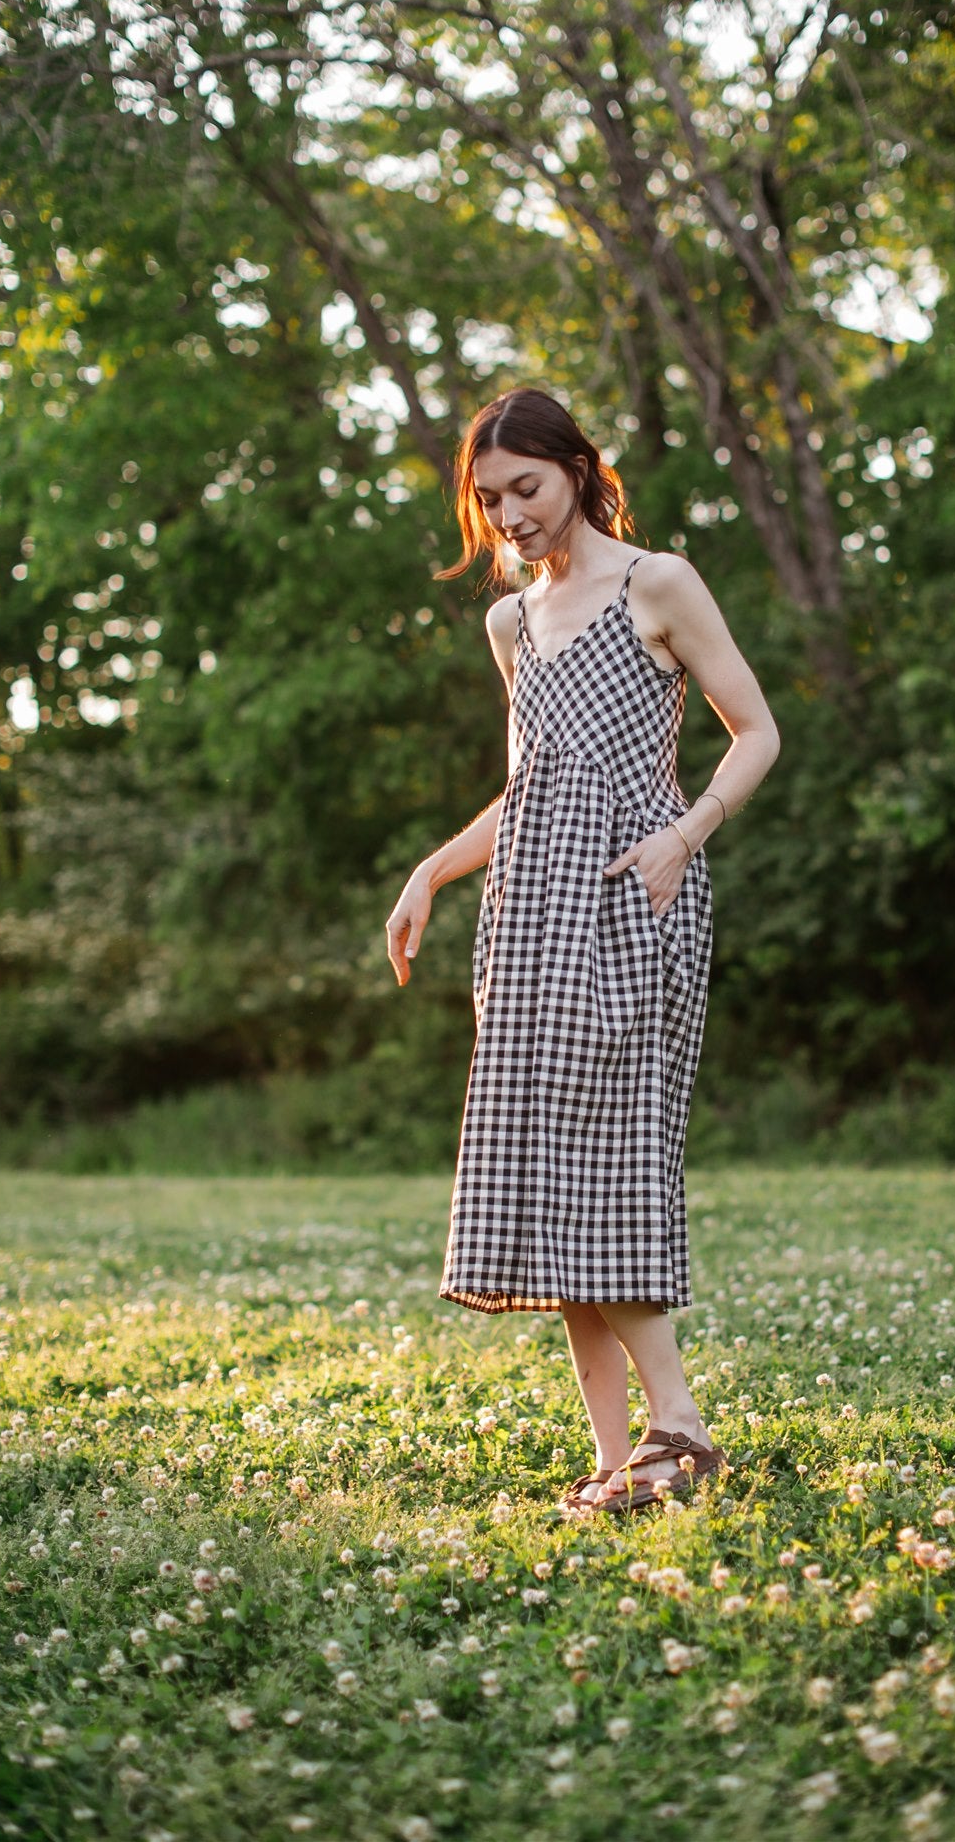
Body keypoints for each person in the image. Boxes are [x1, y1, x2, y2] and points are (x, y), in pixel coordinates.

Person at [385, 387, 780, 1513]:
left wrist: (686, 831)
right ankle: (622, 1460)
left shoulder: (656, 583)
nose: (509, 513)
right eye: (490, 495)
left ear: (576, 470)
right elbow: (527, 793)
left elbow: (757, 729)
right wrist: (431, 870)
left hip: (632, 899)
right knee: (551, 1172)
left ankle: (681, 1428)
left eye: (528, 487)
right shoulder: (510, 623)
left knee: (607, 1159)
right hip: (527, 918)